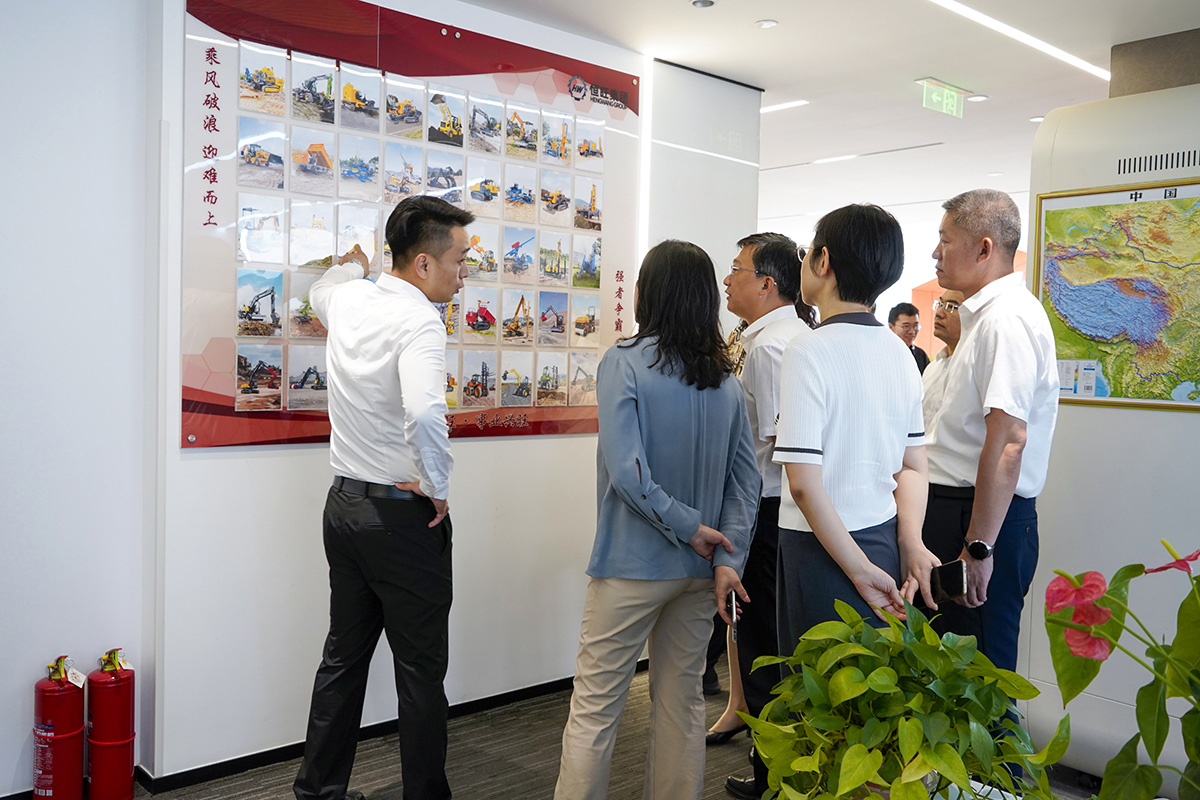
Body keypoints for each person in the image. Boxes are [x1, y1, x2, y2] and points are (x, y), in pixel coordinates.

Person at [553, 240, 761, 800]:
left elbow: (629, 473)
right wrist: (728, 555)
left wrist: (689, 527)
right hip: (700, 572)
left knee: (595, 709)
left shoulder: (623, 362)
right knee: (682, 704)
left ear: (649, 293)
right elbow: (746, 483)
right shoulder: (726, 381)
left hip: (631, 565)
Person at [294, 196, 474, 800]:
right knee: (420, 673)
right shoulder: (420, 321)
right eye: (458, 261)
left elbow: (323, 285)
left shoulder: (349, 299)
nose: (463, 274)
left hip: (343, 509)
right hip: (401, 521)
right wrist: (438, 488)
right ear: (423, 264)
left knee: (342, 660)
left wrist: (355, 264)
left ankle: (318, 791)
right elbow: (425, 412)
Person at [774, 204, 941, 651]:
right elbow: (913, 466)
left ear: (823, 261)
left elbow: (804, 485)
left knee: (817, 682)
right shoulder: (900, 351)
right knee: (874, 677)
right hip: (884, 538)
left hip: (819, 547)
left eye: (807, 252)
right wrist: (910, 541)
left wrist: (857, 570)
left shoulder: (807, 350)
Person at [922, 189, 1059, 673]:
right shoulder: (981, 318)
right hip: (957, 511)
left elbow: (1008, 443)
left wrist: (978, 547)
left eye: (945, 241)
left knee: (981, 680)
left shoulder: (1007, 319)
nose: (935, 253)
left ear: (984, 248)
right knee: (946, 675)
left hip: (979, 519)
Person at [716, 234, 816, 800]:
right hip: (776, 509)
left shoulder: (773, 348)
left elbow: (782, 445)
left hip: (771, 510)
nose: (727, 280)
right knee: (769, 644)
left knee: (765, 650)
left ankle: (773, 779)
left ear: (767, 283)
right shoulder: (775, 338)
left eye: (736, 270)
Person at [921, 289, 966, 432]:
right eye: (940, 304)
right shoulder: (932, 368)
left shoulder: (971, 369)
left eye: (951, 307)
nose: (939, 313)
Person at [888, 301, 930, 373]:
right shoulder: (883, 353)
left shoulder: (920, 355)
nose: (912, 331)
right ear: (891, 327)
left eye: (915, 326)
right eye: (906, 326)